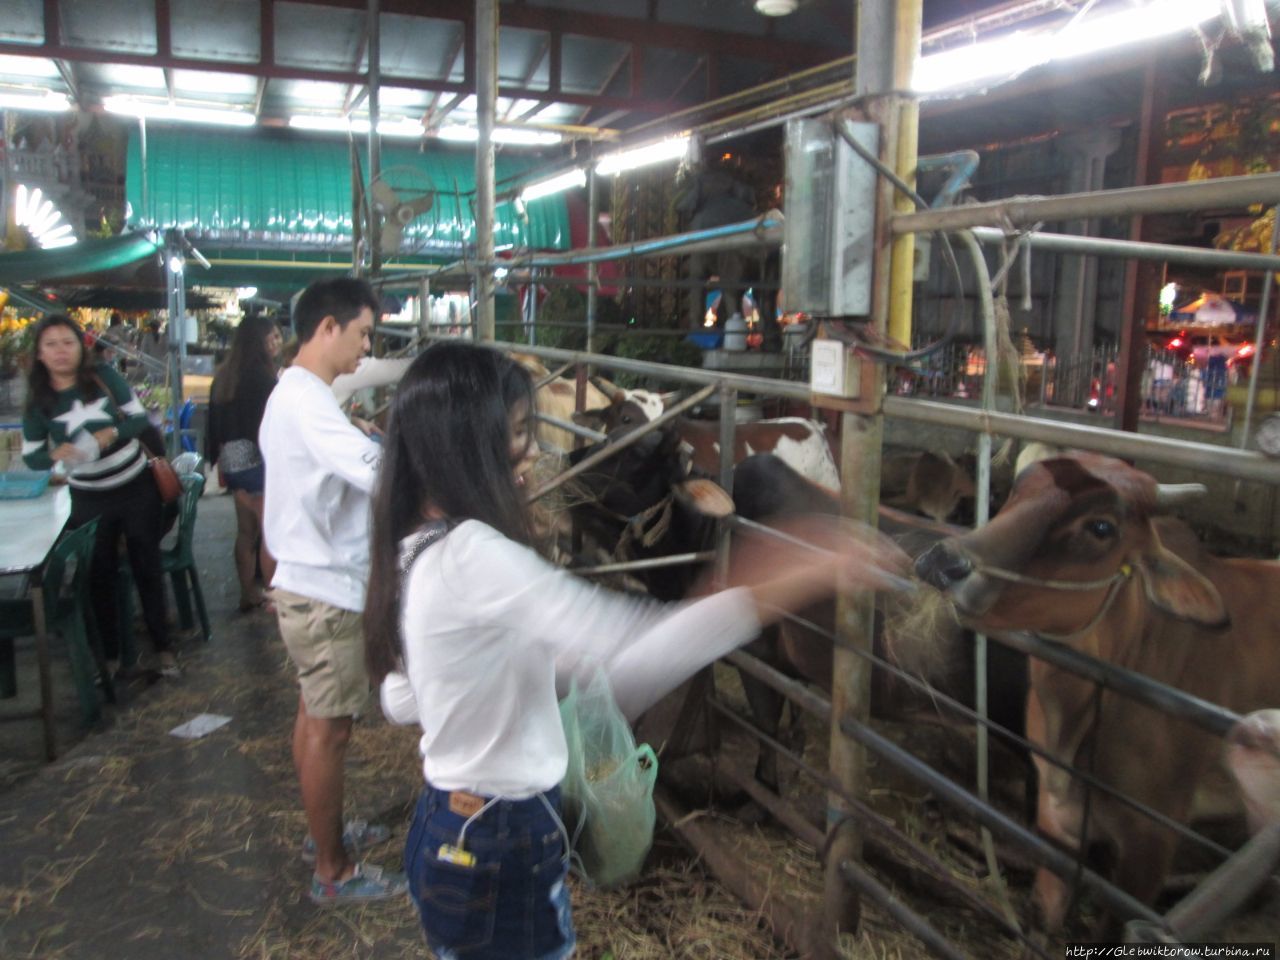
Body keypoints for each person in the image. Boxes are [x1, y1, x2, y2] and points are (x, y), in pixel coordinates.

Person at [363, 342, 909, 960]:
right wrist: (778, 580)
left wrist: (492, 685)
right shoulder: (476, 554)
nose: (534, 455)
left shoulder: (413, 548)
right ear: (466, 445)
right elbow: (629, 659)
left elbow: (401, 698)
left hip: (447, 828)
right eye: (517, 435)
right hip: (499, 838)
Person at [258, 278, 404, 905]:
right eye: (363, 333)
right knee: (330, 729)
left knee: (314, 717)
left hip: (310, 582)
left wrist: (363, 433)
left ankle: (327, 834)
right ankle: (333, 870)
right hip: (326, 592)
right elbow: (379, 477)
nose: (366, 350)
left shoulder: (301, 396)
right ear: (327, 327)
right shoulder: (308, 405)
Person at [21, 315, 176, 677]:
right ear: (40, 354)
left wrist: (111, 433)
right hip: (89, 497)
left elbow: (140, 421)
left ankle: (164, 647)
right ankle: (108, 655)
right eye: (51, 345)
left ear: (81, 347)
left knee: (146, 563)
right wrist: (53, 455)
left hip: (135, 486)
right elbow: (32, 456)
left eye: (68, 343)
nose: (61, 351)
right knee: (97, 573)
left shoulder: (104, 377)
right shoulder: (38, 402)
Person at [207, 315, 283, 612]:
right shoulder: (262, 378)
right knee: (270, 531)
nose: (276, 342)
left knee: (246, 532)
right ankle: (272, 594)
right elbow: (270, 426)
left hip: (232, 461)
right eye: (271, 338)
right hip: (256, 460)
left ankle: (247, 592)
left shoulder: (224, 374)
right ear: (257, 342)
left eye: (278, 336)